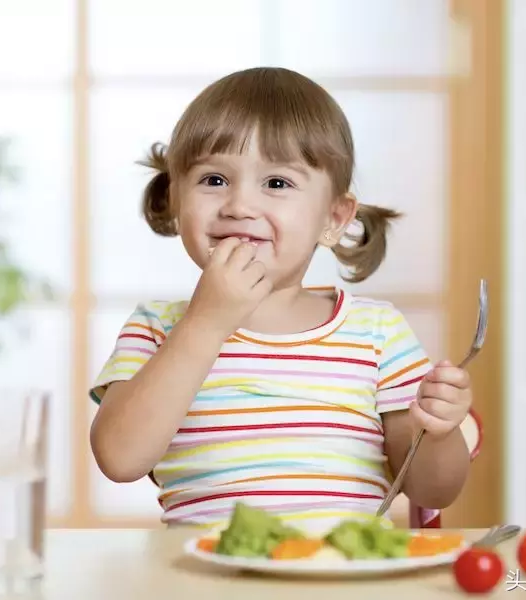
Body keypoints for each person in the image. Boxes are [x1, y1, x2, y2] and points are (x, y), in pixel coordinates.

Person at [88, 66, 474, 531]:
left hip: (339, 577)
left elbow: (433, 491)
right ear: (176, 199)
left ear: (333, 217)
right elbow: (120, 458)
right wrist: (206, 323)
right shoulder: (155, 327)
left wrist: (438, 432)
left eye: (276, 183)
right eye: (214, 180)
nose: (239, 205)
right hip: (205, 578)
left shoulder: (376, 332)